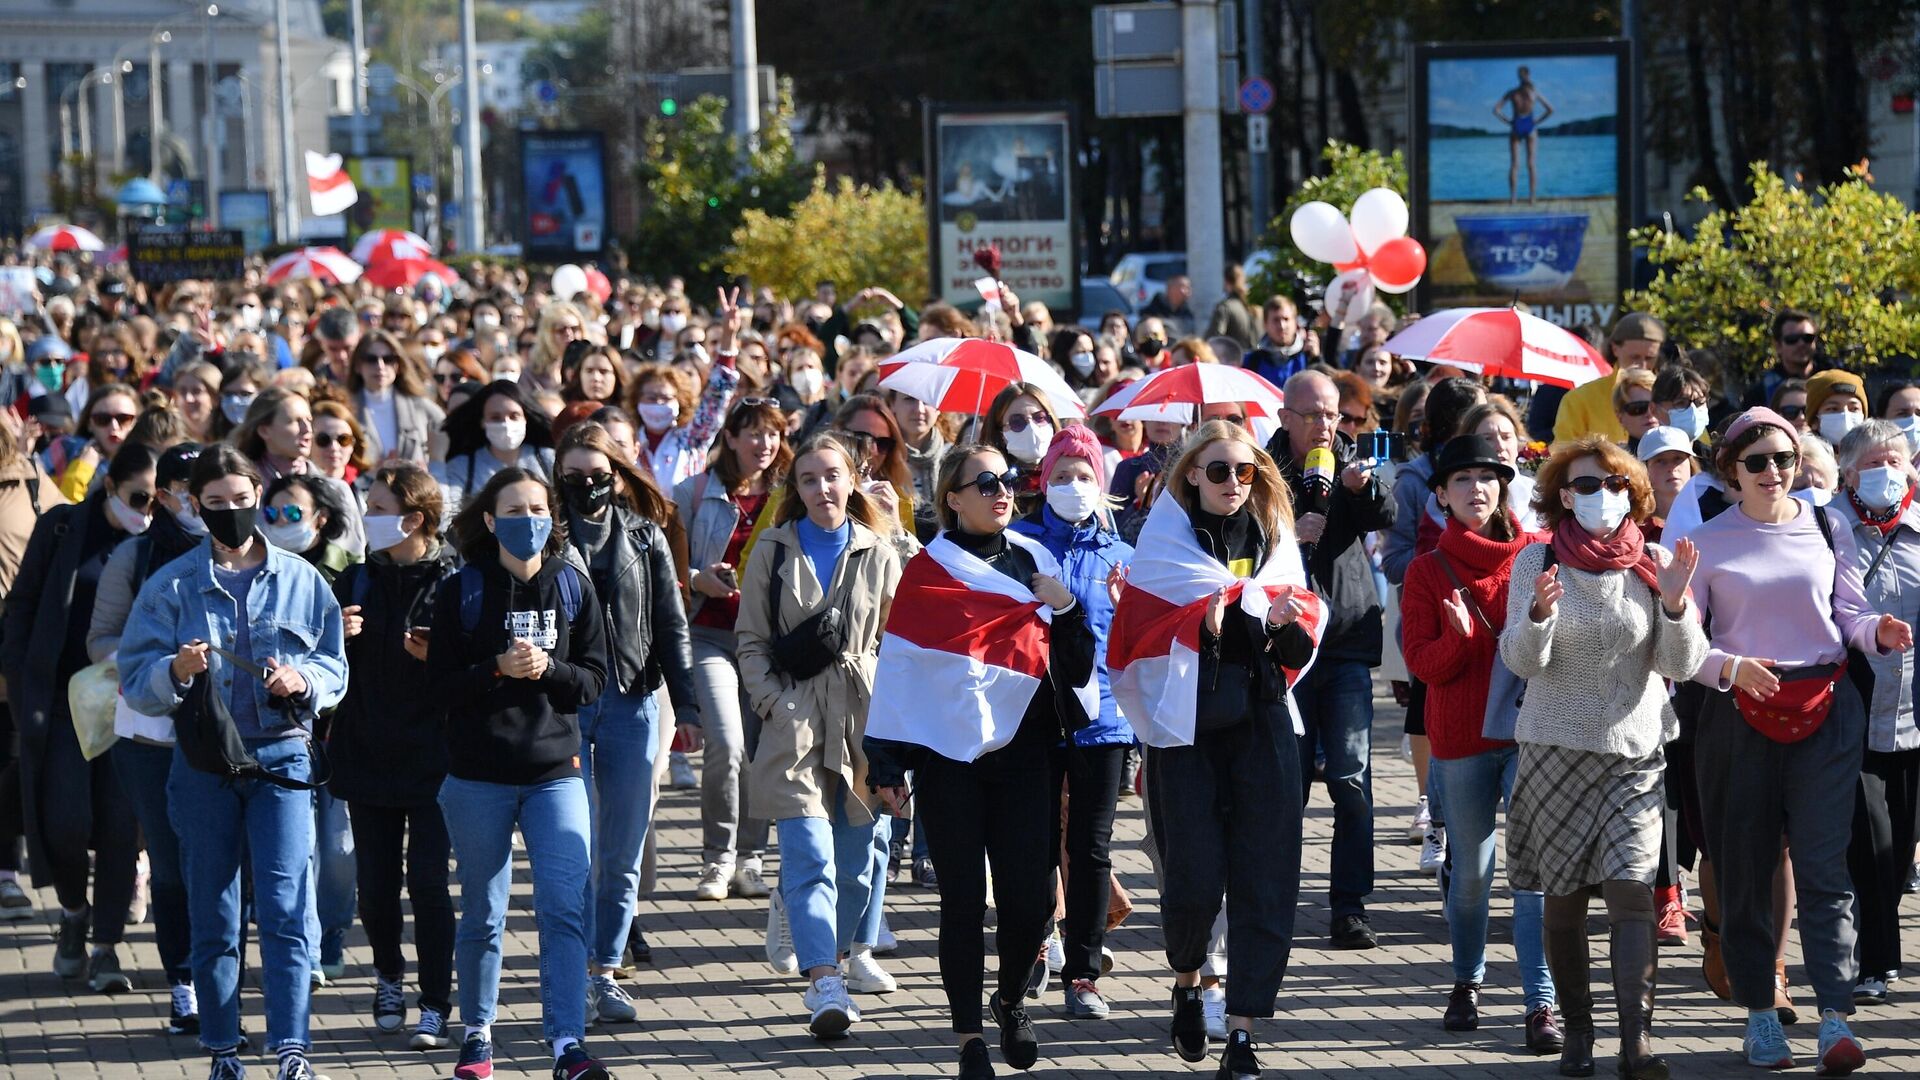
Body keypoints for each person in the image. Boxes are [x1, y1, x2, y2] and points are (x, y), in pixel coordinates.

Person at [1683, 407, 1909, 1073]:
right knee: (1747, 869)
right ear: (1731, 470)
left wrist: (1877, 634)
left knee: (1824, 869)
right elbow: (1680, 646)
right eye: (1757, 461)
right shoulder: (1707, 541)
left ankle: (1836, 1016)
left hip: (1825, 708)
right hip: (1739, 712)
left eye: (1784, 458)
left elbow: (1848, 612)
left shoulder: (1825, 523)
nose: (1775, 472)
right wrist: (1729, 667)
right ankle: (1760, 1016)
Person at [118, 444, 349, 1080]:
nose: (230, 513)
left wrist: (302, 679)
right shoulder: (171, 584)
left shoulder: (303, 578)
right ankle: (222, 1048)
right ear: (194, 507)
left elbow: (335, 665)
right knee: (214, 910)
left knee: (284, 906)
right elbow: (135, 677)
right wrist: (174, 669)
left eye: (242, 502)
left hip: (282, 763)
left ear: (260, 497)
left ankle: (292, 1049)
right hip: (204, 766)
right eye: (214, 504)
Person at [865, 445, 1092, 1080]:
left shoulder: (1035, 562)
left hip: (1027, 756)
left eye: (1009, 480)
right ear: (953, 498)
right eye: (985, 482)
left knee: (1029, 903)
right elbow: (902, 672)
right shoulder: (929, 570)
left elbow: (1075, 668)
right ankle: (968, 1036)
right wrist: (886, 764)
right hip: (949, 761)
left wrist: (1067, 609)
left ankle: (1012, 999)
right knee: (962, 901)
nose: (1003, 491)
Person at [1107, 420, 1322, 1080]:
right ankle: (1186, 982)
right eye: (1220, 470)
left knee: (1266, 879)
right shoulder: (1163, 550)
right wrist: (1197, 624)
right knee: (1194, 879)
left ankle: (1243, 1031)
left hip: (1262, 727)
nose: (1235, 483)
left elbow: (1296, 651)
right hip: (1186, 730)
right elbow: (1132, 645)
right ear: (1193, 475)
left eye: (1246, 471)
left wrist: (1285, 628)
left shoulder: (1274, 546)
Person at [1499, 435, 1709, 1079]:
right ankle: (1579, 1035)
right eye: (1587, 486)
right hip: (1556, 750)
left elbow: (1682, 664)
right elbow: (1519, 661)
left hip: (1634, 755)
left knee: (1630, 894)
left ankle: (1635, 1041)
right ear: (1564, 495)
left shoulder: (1653, 561)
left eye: (1614, 485)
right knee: (1562, 901)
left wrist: (1674, 604)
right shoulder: (1537, 563)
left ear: (1632, 493)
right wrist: (1536, 617)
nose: (1601, 497)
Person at [427, 467, 614, 1080]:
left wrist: (547, 671)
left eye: (538, 508)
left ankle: (567, 1044)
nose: (528, 520)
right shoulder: (464, 590)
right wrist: (497, 669)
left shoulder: (572, 585)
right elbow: (438, 690)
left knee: (563, 908)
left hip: (555, 772)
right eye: (514, 509)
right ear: (489, 520)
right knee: (483, 909)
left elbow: (591, 681)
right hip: (477, 777)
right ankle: (477, 1035)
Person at [735, 433, 904, 1037]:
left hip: (864, 720)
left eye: (832, 476)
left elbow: (901, 641)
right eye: (809, 479)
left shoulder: (879, 550)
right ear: (796, 488)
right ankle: (824, 980)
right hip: (796, 721)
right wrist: (772, 702)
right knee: (811, 856)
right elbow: (750, 640)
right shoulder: (773, 551)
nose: (823, 489)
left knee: (859, 866)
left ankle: (820, 941)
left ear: (851, 480)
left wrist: (899, 728)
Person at [1400, 434, 1559, 1049]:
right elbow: (1422, 665)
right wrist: (1462, 639)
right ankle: (1466, 982)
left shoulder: (1537, 555)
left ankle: (1540, 1003)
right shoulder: (1426, 570)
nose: (1476, 489)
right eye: (1461, 479)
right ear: (1440, 494)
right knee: (1470, 873)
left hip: (1529, 733)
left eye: (1487, 477)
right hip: (1460, 740)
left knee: (1532, 874)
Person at [554, 422, 702, 1023]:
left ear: (618, 475)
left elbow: (671, 622)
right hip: (562, 703)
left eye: (599, 474)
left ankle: (605, 971)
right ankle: (567, 971)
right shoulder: (543, 535)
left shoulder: (645, 536)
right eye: (574, 477)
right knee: (572, 845)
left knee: (622, 849)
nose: (588, 485)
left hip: (632, 698)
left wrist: (688, 707)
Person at [2, 441, 157, 993]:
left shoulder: (159, 543)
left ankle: (106, 946)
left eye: (160, 499)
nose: (149, 509)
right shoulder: (65, 529)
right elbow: (22, 606)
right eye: (139, 496)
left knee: (120, 825)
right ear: (109, 488)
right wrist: (21, 685)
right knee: (64, 821)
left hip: (132, 706)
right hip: (65, 703)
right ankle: (72, 911)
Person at [326, 462, 460, 1048]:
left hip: (436, 756)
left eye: (378, 508)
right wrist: (336, 635)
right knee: (375, 886)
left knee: (428, 882)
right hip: (366, 750)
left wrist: (444, 655)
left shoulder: (457, 579)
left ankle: (435, 1002)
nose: (367, 515)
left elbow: (479, 665)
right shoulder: (353, 580)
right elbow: (317, 664)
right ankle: (387, 976)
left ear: (414, 518)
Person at [1008, 425, 1136, 1017]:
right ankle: (1034, 946)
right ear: (1042, 481)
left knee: (1089, 847)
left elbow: (1134, 644)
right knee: (1031, 840)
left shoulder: (1123, 557)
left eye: (1085, 476)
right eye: (1062, 476)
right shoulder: (1018, 546)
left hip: (1102, 720)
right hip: (1031, 716)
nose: (1073, 486)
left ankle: (1083, 975)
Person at [1266, 370, 1394, 948]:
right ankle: (1275, 899)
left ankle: (1349, 905)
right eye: (1313, 415)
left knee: (1351, 779)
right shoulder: (1257, 470)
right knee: (1284, 784)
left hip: (1342, 643)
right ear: (1286, 417)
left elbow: (1385, 513)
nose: (1325, 425)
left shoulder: (1351, 464)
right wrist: (1289, 531)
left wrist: (1355, 489)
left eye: (1333, 414)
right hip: (1285, 647)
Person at [673, 397, 791, 904]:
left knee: (761, 752)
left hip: (765, 640)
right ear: (731, 437)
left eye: (772, 433)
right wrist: (699, 578)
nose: (763, 444)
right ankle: (717, 859)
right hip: (708, 635)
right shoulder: (694, 492)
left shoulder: (790, 495)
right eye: (753, 433)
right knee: (726, 742)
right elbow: (667, 570)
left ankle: (751, 859)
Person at [1829, 422, 1920, 1008]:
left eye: (1898, 461)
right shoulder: (1827, 525)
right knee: (1871, 840)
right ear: (1848, 472)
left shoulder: (1918, 530)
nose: (1888, 472)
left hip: (1913, 714)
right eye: (1875, 462)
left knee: (1903, 847)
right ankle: (1876, 959)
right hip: (1853, 707)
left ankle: (1881, 950)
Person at [432, 380, 556, 521]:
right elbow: (444, 516)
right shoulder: (463, 466)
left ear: (526, 418)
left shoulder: (547, 459)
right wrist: (436, 459)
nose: (506, 424)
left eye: (514, 416)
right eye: (495, 417)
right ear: (482, 422)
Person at [1553, 313, 1665, 444]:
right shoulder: (1579, 399)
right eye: (1634, 357)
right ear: (1615, 349)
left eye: (1650, 358)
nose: (1642, 365)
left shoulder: (1670, 395)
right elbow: (1563, 455)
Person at [350, 328, 445, 465]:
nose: (380, 366)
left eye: (388, 359)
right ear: (357, 366)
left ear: (398, 365)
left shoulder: (421, 406)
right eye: (371, 359)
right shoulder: (346, 408)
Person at [981, 382, 1061, 517]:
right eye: (1017, 422)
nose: (1032, 428)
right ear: (999, 433)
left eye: (1039, 418)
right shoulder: (987, 485)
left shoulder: (1070, 474)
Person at [1742, 310, 1827, 410]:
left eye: (1807, 338)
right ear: (1777, 346)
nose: (1801, 344)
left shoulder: (1832, 378)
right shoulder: (1760, 393)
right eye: (1792, 339)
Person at [1495, 65, 1553, 204]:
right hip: (1530, 125)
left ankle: (1513, 198)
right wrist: (1536, 121)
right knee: (1531, 164)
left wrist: (1508, 122)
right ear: (1529, 75)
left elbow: (1496, 110)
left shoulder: (1512, 93)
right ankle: (1532, 198)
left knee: (1515, 165)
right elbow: (1550, 109)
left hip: (1516, 125)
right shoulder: (1534, 92)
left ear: (1518, 76)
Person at [1636, 426, 1698, 542]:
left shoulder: (1713, 514)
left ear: (1690, 464)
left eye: (1678, 458)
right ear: (1644, 470)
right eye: (1660, 461)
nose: (1671, 468)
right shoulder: (1636, 530)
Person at [1806, 369, 1867, 448]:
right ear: (1815, 420)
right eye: (1833, 409)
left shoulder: (1880, 456)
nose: (1845, 415)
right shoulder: (1801, 458)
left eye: (1854, 409)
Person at [1206, 264, 1256, 350]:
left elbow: (1214, 339)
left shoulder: (1225, 307)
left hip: (1232, 360)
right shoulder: (1254, 307)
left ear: (1226, 281)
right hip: (1254, 359)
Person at [1613, 369, 1660, 452]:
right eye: (1638, 408)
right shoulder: (1613, 461)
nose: (1649, 413)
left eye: (1656, 406)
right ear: (1620, 418)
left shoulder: (1683, 450)